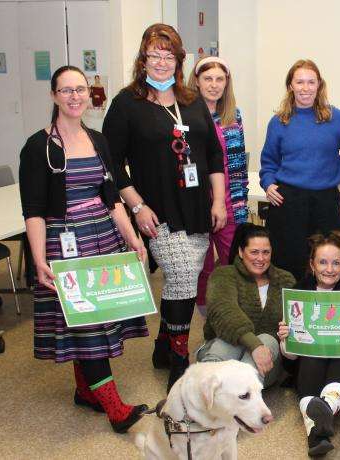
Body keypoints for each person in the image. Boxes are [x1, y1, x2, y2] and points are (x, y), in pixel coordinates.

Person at [19, 65, 148, 433]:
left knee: (95, 321)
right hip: (65, 247)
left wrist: (132, 239)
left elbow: (113, 200)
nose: (75, 96)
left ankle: (85, 390)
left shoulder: (98, 140)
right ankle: (115, 410)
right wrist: (39, 259)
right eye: (67, 90)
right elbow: (34, 211)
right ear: (54, 95)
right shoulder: (38, 147)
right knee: (88, 325)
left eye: (81, 89)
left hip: (103, 239)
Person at [102, 23, 227, 390]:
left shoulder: (190, 101)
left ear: (178, 59)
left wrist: (217, 200)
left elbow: (214, 154)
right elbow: (109, 162)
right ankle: (178, 359)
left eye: (167, 54)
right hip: (157, 210)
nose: (160, 61)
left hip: (197, 209)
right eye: (153, 54)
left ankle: (161, 347)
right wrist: (136, 206)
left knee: (179, 280)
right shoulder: (127, 103)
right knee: (184, 275)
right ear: (143, 60)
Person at [277, 231, 340, 457]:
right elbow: (291, 356)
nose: (329, 269)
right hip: (309, 365)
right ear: (312, 265)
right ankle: (320, 426)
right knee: (312, 355)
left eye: (336, 263)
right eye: (323, 262)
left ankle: (323, 414)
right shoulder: (298, 293)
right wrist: (286, 339)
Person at [260, 59, 340, 280]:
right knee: (288, 264)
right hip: (287, 202)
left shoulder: (336, 118)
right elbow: (268, 162)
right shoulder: (278, 122)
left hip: (325, 202)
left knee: (331, 264)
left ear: (319, 85)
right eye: (300, 82)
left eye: (311, 82)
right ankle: (287, 312)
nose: (305, 88)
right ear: (290, 86)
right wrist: (268, 183)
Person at [188, 56, 250, 316]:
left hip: (230, 200)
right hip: (198, 200)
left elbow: (239, 162)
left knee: (234, 262)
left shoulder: (233, 116)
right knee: (202, 266)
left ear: (227, 83)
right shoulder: (186, 115)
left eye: (219, 79)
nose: (214, 85)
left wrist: (239, 202)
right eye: (207, 79)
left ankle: (235, 313)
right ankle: (207, 317)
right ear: (197, 82)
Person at [198, 224, 295, 388]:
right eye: (254, 252)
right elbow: (224, 312)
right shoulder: (224, 274)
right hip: (227, 345)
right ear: (241, 252)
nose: (261, 258)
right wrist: (254, 345)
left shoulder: (286, 280)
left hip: (267, 356)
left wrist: (261, 345)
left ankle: (236, 393)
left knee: (267, 339)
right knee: (226, 342)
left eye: (266, 252)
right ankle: (207, 388)